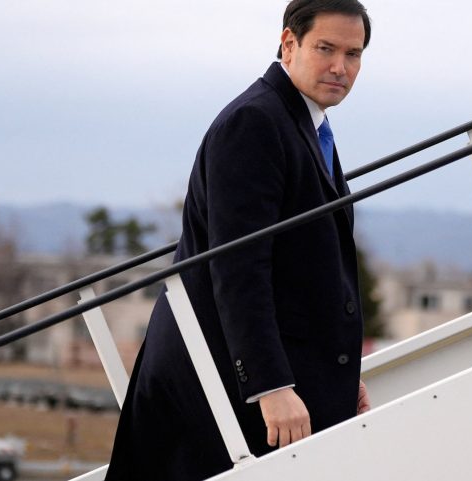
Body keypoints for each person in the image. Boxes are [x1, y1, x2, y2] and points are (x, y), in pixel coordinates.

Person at [106, 1, 372, 479]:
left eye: (353, 54)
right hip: (223, 384)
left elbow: (307, 267)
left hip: (265, 373)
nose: (341, 67)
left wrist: (342, 373)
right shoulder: (255, 123)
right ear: (288, 43)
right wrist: (269, 387)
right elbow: (239, 268)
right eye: (326, 48)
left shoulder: (304, 124)